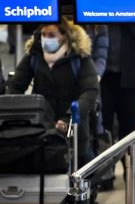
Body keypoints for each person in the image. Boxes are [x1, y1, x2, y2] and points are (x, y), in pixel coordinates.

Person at [6, 18, 99, 165]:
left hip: (74, 130)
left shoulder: (79, 57)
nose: (46, 39)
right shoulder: (34, 55)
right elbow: (16, 86)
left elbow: (90, 91)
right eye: (43, 34)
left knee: (80, 170)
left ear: (64, 35)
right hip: (41, 129)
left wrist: (69, 118)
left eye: (51, 35)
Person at [101, 25, 135, 140]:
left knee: (130, 125)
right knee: (102, 124)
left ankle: (129, 157)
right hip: (103, 78)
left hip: (131, 77)